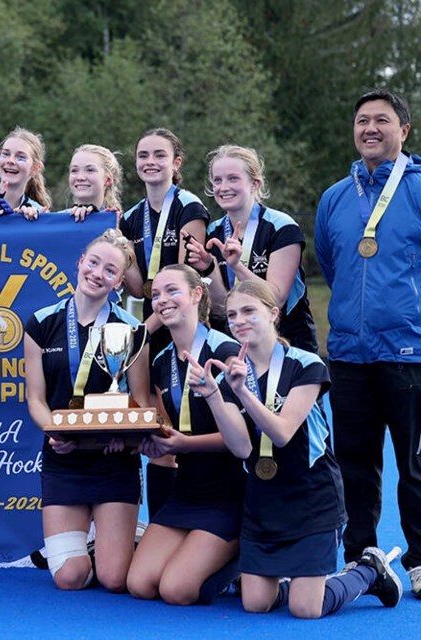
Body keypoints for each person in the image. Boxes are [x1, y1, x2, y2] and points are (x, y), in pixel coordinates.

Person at [199, 280, 402, 617]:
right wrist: (213, 396)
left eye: (249, 311)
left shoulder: (306, 365)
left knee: (307, 609)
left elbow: (282, 433)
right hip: (263, 500)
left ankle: (367, 571)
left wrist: (244, 394)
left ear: (273, 313)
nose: (239, 321)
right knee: (255, 604)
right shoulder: (229, 377)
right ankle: (290, 581)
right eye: (232, 315)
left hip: (312, 497)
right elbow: (240, 448)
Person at [315, 88, 421, 598]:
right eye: (362, 121)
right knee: (356, 463)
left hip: (410, 351)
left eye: (382, 120)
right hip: (351, 354)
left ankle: (419, 560)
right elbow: (333, 266)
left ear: (405, 130)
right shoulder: (336, 196)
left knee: (415, 463)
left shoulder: (419, 188)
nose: (370, 129)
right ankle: (361, 557)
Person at [23, 228, 150, 592]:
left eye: (109, 270)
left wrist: (121, 436)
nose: (97, 273)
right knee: (70, 577)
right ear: (80, 262)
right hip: (64, 459)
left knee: (113, 579)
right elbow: (36, 399)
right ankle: (93, 544)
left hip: (113, 461)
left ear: (119, 282)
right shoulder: (41, 322)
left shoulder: (131, 328)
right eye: (93, 262)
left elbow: (139, 400)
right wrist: (55, 433)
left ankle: (126, 538)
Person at [126, 264, 244, 605]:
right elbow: (169, 433)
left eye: (172, 290)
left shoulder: (226, 352)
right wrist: (144, 441)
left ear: (197, 294)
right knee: (140, 584)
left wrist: (184, 443)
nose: (162, 300)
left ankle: (244, 560)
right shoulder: (163, 361)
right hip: (188, 492)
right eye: (157, 294)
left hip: (229, 493)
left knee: (176, 590)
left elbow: (243, 442)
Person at [119, 128, 209, 523]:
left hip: (183, 328)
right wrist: (124, 257)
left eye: (159, 154)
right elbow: (139, 287)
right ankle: (161, 524)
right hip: (153, 327)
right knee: (158, 427)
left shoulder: (189, 208)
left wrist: (143, 332)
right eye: (143, 155)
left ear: (176, 163)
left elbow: (183, 282)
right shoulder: (132, 216)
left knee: (188, 420)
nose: (150, 161)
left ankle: (201, 513)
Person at [184, 144, 317, 352]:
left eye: (233, 178)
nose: (224, 186)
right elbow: (220, 308)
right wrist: (209, 267)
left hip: (286, 345)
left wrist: (237, 266)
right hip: (234, 348)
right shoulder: (212, 233)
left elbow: (276, 300)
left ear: (255, 183)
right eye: (217, 180)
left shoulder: (282, 227)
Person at [63, 144, 122, 222]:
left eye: (90, 170)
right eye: (74, 170)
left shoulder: (120, 223)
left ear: (108, 179)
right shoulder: (57, 222)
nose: (80, 177)